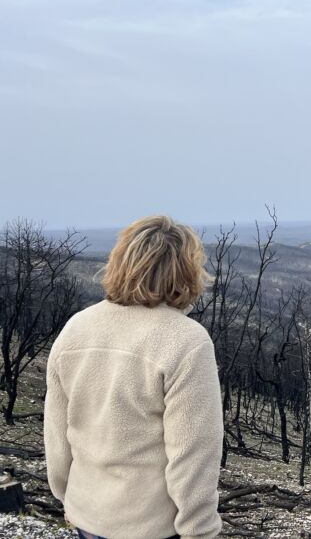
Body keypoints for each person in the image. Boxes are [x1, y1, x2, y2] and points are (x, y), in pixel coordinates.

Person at [44, 216, 223, 539]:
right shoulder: (186, 340)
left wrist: (67, 494)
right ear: (187, 272)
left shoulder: (76, 328)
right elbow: (194, 455)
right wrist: (201, 531)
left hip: (88, 515)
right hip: (151, 527)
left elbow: (58, 437)